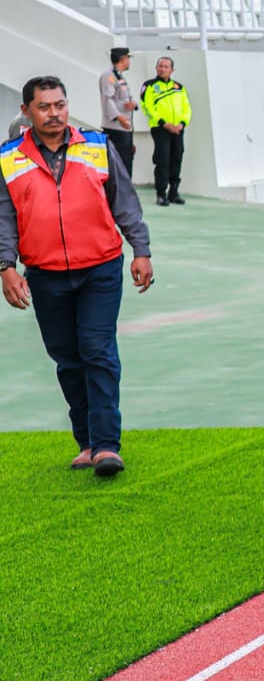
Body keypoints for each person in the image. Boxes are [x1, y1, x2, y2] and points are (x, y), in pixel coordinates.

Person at [1, 76, 154, 477]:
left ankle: (106, 446)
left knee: (97, 350)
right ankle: (86, 442)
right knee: (67, 358)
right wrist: (6, 267)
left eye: (60, 105)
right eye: (44, 107)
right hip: (45, 275)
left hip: (100, 268)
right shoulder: (8, 158)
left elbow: (125, 201)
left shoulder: (98, 147)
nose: (54, 114)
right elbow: (5, 218)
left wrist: (141, 250)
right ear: (26, 111)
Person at [139, 56, 191, 206]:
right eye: (160, 66)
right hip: (160, 129)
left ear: (172, 70)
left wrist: (182, 124)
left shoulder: (179, 87)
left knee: (177, 158)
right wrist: (164, 123)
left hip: (178, 130)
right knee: (162, 160)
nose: (162, 69)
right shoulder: (149, 86)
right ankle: (161, 194)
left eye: (166, 66)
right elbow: (147, 108)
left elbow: (186, 108)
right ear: (156, 68)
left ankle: (173, 192)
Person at [99, 47, 138, 176]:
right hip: (116, 127)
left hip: (125, 127)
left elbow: (123, 98)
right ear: (123, 59)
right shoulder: (108, 76)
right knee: (119, 164)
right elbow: (108, 99)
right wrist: (119, 117)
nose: (129, 61)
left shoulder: (119, 76)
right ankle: (119, 188)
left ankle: (126, 187)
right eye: (128, 58)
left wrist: (133, 104)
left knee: (127, 161)